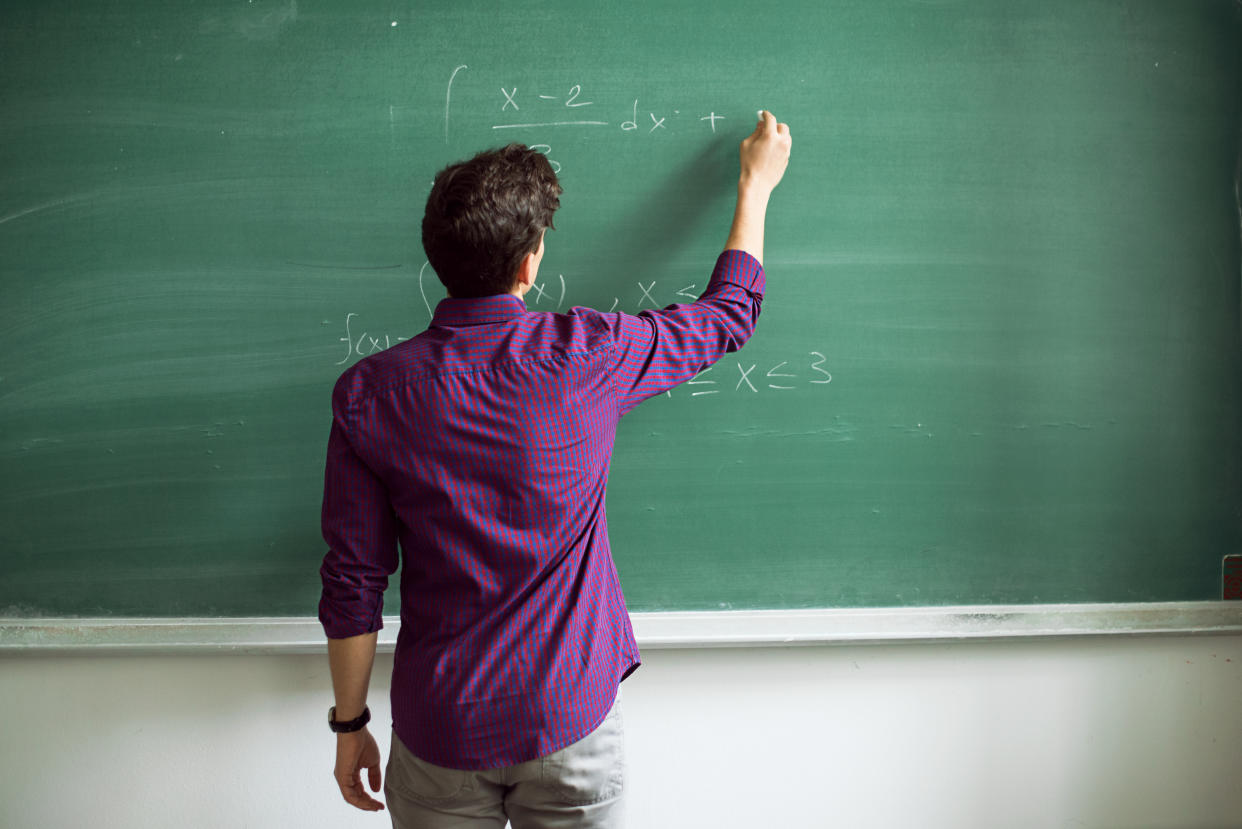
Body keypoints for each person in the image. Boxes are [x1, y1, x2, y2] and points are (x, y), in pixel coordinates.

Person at [319, 110, 791, 828]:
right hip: (567, 715)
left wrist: (349, 725)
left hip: (442, 726)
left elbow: (355, 578)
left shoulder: (369, 395)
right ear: (530, 261)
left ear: (436, 257)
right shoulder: (589, 354)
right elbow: (728, 315)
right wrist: (754, 186)